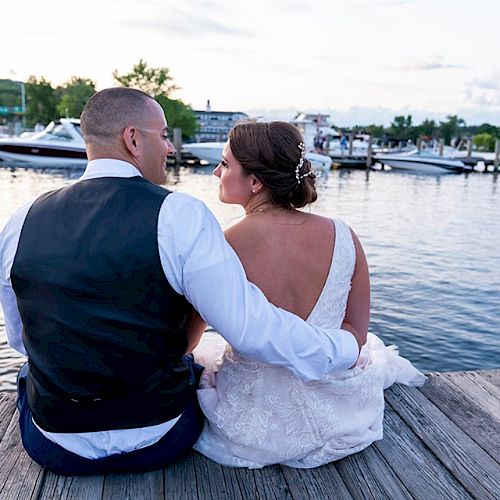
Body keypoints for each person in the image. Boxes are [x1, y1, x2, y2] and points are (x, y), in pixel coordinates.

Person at [0, 89, 362, 476]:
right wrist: (342, 347)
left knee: (27, 373)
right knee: (188, 366)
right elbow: (251, 329)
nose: (171, 147)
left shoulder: (20, 221)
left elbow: (22, 339)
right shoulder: (180, 215)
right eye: (164, 135)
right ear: (133, 139)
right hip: (158, 438)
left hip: (55, 446)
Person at [193, 120, 425, 468]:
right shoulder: (344, 236)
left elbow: (189, 335)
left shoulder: (223, 245)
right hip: (339, 409)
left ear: (255, 182)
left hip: (250, 419)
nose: (215, 172)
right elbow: (356, 334)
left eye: (225, 164)